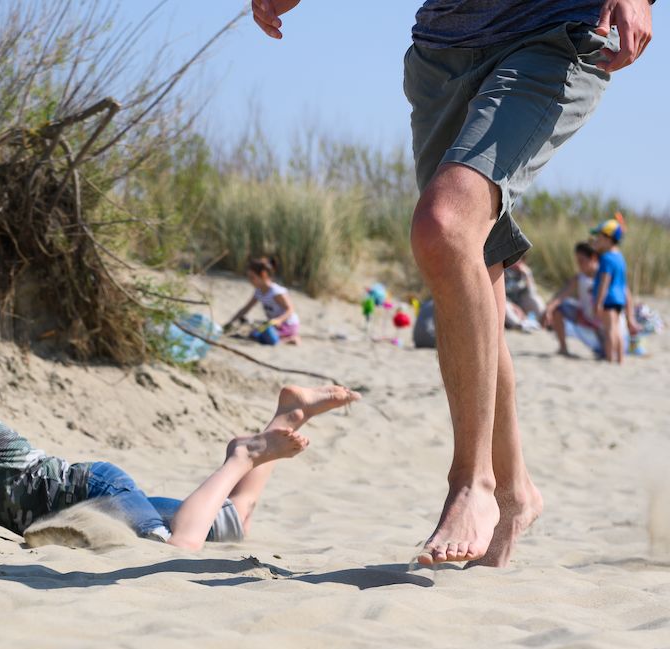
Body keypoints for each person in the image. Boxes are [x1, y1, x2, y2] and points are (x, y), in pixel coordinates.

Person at [252, 0, 654, 568]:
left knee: (443, 227)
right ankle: (516, 494)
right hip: (442, 50)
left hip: (551, 34)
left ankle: (472, 481)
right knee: (475, 267)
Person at [0, 341, 359, 550]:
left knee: (173, 554)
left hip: (92, 494)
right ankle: (286, 409)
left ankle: (240, 454)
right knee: (233, 523)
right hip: (90, 497)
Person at [543, 241, 606, 357]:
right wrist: (549, 309)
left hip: (604, 322)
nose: (579, 265)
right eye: (577, 261)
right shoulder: (579, 278)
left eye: (581, 261)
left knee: (605, 353)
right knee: (559, 308)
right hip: (586, 317)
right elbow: (562, 295)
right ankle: (563, 348)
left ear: (593, 258)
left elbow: (623, 295)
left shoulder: (604, 276)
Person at [223, 257, 301, 345]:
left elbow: (290, 309)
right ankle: (283, 336)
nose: (250, 281)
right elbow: (246, 308)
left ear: (263, 275)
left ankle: (291, 339)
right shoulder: (258, 291)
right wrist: (229, 323)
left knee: (270, 340)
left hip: (288, 324)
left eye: (252, 277)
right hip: (271, 325)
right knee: (254, 334)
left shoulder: (276, 292)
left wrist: (279, 320)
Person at [590, 217, 630, 364]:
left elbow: (604, 282)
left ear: (608, 238)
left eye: (599, 236)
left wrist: (598, 302)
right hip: (619, 299)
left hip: (609, 298)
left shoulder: (606, 258)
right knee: (617, 328)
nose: (596, 239)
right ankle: (620, 358)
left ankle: (609, 357)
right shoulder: (620, 257)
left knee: (609, 330)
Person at [503, 258, 546, 330]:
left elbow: (532, 292)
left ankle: (535, 322)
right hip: (507, 302)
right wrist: (515, 306)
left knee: (536, 300)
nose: (519, 261)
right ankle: (519, 325)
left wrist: (527, 275)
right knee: (506, 308)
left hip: (520, 301)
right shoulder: (503, 271)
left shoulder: (525, 271)